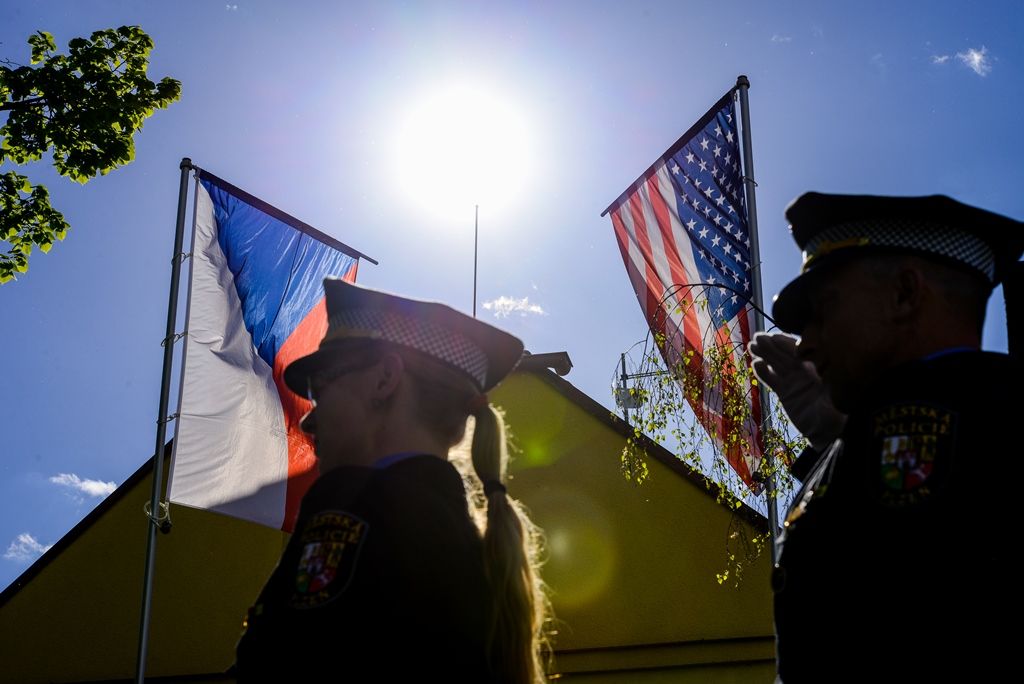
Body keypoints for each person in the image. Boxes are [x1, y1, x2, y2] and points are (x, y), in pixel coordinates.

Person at [748, 192, 1024, 682]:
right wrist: (840, 442)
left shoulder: (988, 434)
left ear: (903, 294)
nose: (806, 341)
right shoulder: (978, 430)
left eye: (822, 309)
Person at [235, 279, 550, 683]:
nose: (309, 418)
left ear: (384, 379)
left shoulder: (350, 512)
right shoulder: (481, 551)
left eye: (321, 388)